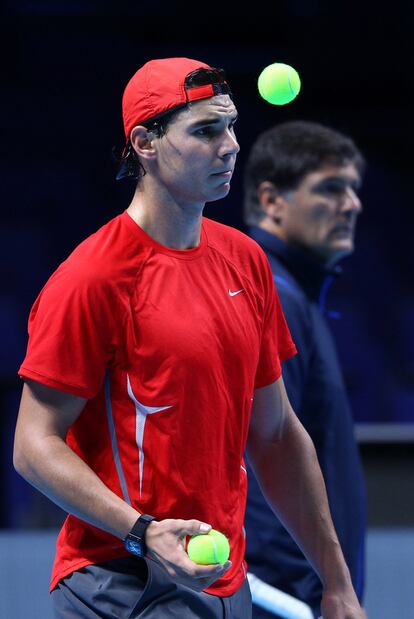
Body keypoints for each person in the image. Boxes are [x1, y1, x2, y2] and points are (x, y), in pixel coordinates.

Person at [14, 58, 365, 619]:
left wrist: (337, 583)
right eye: (204, 130)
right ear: (145, 142)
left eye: (230, 127)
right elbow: (33, 447)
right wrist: (143, 532)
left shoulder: (245, 262)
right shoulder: (92, 277)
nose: (229, 146)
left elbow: (274, 434)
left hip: (225, 588)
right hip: (120, 585)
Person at [243, 120, 367, 618]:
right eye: (331, 189)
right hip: (285, 600)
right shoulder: (273, 294)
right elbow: (264, 453)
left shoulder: (292, 296)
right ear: (272, 200)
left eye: (353, 189)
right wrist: (305, 600)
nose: (351, 205)